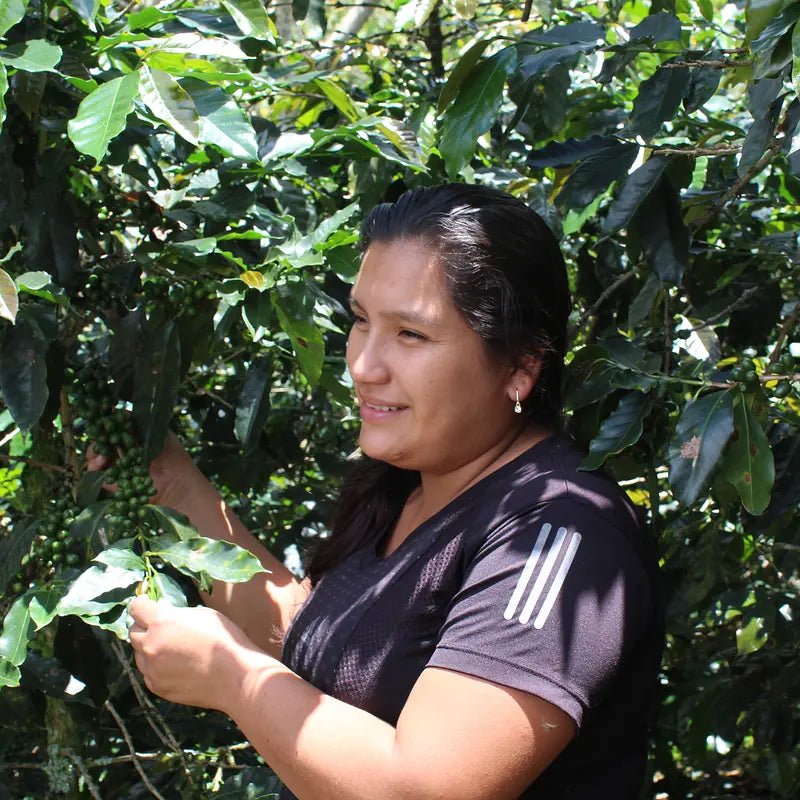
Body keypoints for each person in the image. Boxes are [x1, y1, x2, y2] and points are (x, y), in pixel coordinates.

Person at [104, 184, 663, 799]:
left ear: (521, 366)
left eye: (411, 335)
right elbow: (323, 645)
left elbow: (425, 788)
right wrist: (173, 484)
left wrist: (236, 679)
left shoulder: (562, 532)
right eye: (361, 321)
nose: (364, 365)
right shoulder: (404, 484)